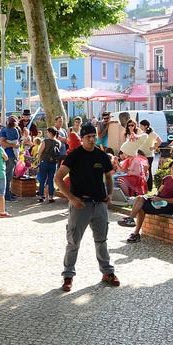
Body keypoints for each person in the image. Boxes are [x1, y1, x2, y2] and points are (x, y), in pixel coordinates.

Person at [53, 124, 119, 292]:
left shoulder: (101, 155)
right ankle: (68, 275)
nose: (91, 139)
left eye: (93, 136)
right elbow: (58, 178)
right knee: (73, 242)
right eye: (88, 137)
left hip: (99, 205)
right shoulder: (74, 156)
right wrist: (72, 198)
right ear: (82, 138)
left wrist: (110, 194)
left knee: (101, 241)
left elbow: (109, 176)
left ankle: (107, 273)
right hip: (80, 205)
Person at [117, 159, 173, 242]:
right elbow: (159, 191)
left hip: (167, 205)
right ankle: (130, 219)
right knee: (140, 198)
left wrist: (160, 199)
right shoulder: (167, 178)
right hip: (158, 200)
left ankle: (136, 233)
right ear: (170, 168)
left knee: (141, 208)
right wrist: (153, 196)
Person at [36, 127, 62, 203]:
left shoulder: (45, 141)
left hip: (45, 161)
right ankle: (50, 197)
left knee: (42, 179)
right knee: (51, 180)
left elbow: (40, 151)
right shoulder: (58, 142)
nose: (46, 133)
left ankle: (41, 196)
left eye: (47, 132)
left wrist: (39, 160)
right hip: (53, 163)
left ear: (50, 133)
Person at [0, 115, 21, 201]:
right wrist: (14, 145)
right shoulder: (6, 130)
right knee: (8, 175)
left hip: (10, 154)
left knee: (9, 175)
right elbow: (2, 142)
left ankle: (7, 192)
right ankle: (6, 194)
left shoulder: (5, 129)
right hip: (9, 155)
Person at [138, 119, 162, 190]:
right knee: (141, 170)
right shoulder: (142, 133)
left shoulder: (152, 133)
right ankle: (143, 186)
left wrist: (154, 147)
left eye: (142, 125)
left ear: (146, 126)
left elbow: (159, 141)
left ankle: (149, 186)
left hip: (149, 155)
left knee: (148, 170)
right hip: (141, 154)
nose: (140, 126)